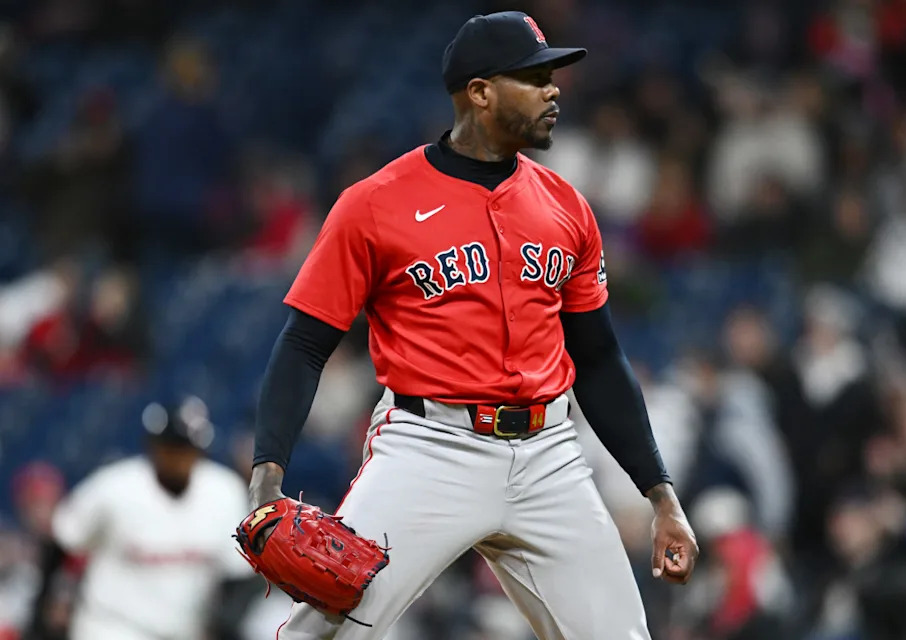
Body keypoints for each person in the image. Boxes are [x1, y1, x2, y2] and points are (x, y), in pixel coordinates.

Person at [248, 11, 698, 640]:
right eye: (535, 77)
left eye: (553, 77)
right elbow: (303, 343)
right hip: (431, 448)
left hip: (549, 456)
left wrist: (660, 493)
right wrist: (267, 474)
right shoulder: (376, 202)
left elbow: (597, 358)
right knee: (321, 634)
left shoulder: (567, 207)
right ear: (481, 92)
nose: (554, 90)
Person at [28, 397, 255, 640]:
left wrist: (223, 625)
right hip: (113, 627)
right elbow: (63, 539)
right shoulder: (114, 487)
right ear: (153, 447)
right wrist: (43, 612)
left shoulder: (223, 492)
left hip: (186, 631)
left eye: (186, 450)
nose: (179, 459)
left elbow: (239, 575)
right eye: (171, 448)